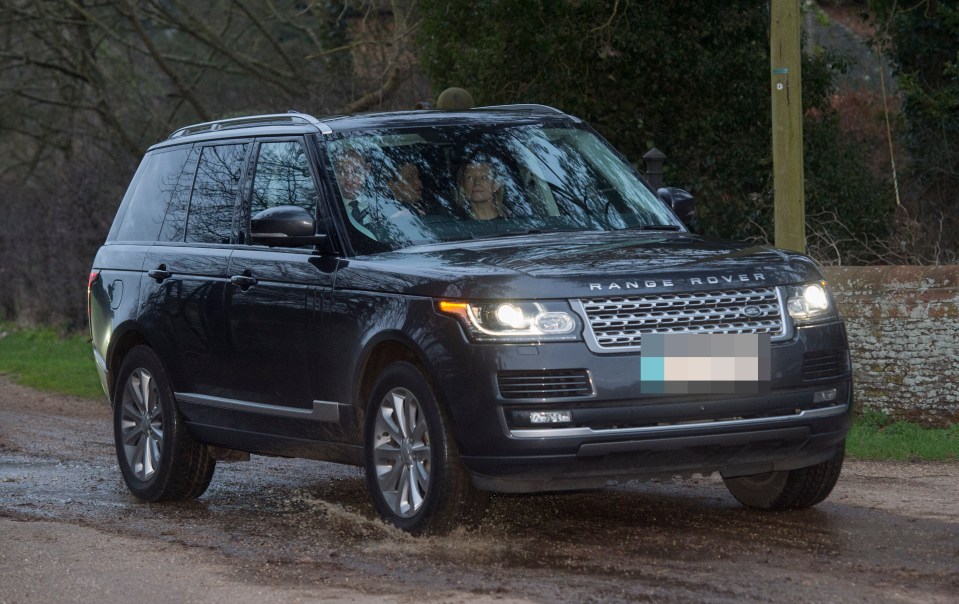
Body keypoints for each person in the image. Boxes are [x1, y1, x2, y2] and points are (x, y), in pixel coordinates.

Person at [331, 147, 377, 239]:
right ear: (333, 171)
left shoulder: (382, 205)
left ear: (367, 170)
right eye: (341, 171)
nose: (348, 180)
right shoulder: (328, 206)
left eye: (356, 171)